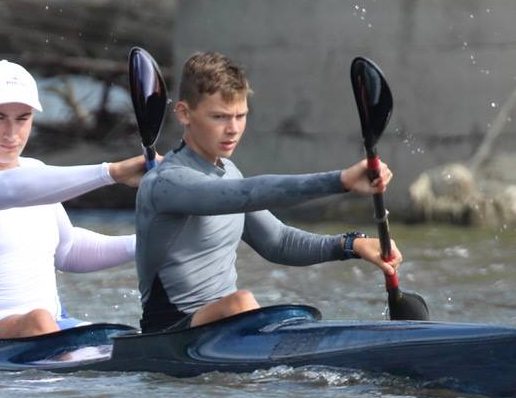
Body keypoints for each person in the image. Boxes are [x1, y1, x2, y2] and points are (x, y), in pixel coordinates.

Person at [135, 51, 402, 332]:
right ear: (184, 113)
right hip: (171, 335)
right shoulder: (166, 182)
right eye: (219, 117)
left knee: (255, 306)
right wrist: (340, 181)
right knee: (240, 302)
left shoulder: (230, 172)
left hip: (221, 329)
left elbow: (278, 242)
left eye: (241, 116)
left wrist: (351, 245)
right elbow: (248, 194)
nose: (233, 129)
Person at [0, 60, 149, 340]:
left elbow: (69, 251)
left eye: (22, 118)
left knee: (125, 337)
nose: (11, 133)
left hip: (53, 327)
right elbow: (11, 190)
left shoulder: (37, 172)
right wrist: (111, 172)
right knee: (40, 321)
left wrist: (146, 242)